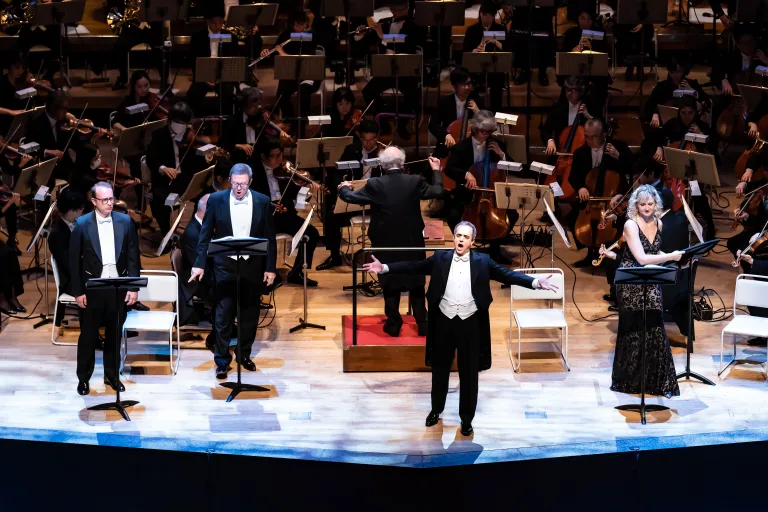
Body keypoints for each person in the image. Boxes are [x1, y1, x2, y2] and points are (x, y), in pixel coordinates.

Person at [363, 221, 558, 435]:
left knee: (468, 374)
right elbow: (414, 266)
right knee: (440, 371)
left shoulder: (483, 262)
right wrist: (385, 268)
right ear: (454, 237)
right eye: (458, 235)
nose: (461, 240)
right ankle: (436, 410)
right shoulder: (440, 258)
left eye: (465, 237)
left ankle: (466, 419)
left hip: (470, 322)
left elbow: (507, 274)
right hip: (444, 321)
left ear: (472, 241)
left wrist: (535, 283)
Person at [339, 146, 444, 337]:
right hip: (412, 240)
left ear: (381, 164)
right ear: (402, 163)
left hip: (385, 240)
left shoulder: (375, 183)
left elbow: (352, 198)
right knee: (416, 281)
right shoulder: (415, 180)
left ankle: (394, 323)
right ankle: (423, 322)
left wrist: (344, 188)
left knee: (389, 279)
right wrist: (436, 170)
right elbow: (437, 190)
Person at [189, 164, 277, 380]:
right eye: (235, 183)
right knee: (223, 315)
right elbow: (205, 235)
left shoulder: (262, 201)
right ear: (229, 180)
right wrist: (199, 263)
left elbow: (270, 238)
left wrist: (270, 267)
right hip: (224, 266)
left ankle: (243, 354)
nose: (239, 188)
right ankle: (221, 360)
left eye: (243, 184)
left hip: (252, 265)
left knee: (250, 314)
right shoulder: (216, 200)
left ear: (250, 182)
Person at [598, 185, 683, 398]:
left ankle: (657, 382)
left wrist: (678, 257)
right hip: (631, 282)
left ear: (657, 205)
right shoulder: (630, 225)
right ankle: (630, 381)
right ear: (636, 205)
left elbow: (655, 251)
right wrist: (671, 256)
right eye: (642, 204)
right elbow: (642, 258)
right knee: (633, 331)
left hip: (651, 280)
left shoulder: (659, 223)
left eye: (650, 204)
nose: (646, 208)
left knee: (655, 328)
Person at [70, 182, 140, 396]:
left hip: (117, 286)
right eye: (105, 200)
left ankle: (112, 375)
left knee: (114, 335)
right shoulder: (81, 224)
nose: (110, 203)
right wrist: (78, 291)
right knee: (88, 336)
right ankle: (83, 378)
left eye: (111, 199)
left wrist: (133, 287)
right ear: (94, 201)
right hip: (93, 287)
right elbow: (74, 261)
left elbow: (133, 257)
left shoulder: (125, 221)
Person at [251, 137, 321, 286]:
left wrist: (307, 192)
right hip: (265, 216)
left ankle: (297, 272)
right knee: (264, 239)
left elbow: (299, 202)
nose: (279, 160)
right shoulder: (254, 174)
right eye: (274, 156)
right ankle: (267, 273)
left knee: (312, 234)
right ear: (263, 156)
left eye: (280, 155)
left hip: (285, 214)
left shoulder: (286, 172)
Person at [318, 120, 381, 270]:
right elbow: (336, 174)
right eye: (364, 140)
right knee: (332, 216)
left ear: (377, 138)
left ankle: (380, 254)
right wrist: (339, 191)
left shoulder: (384, 154)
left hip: (377, 201)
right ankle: (334, 256)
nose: (368, 144)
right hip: (355, 198)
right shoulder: (352, 150)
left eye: (372, 140)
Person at [568, 118, 631, 267]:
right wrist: (580, 187)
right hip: (591, 196)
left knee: (617, 220)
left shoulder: (618, 147)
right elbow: (573, 176)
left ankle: (610, 252)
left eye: (594, 137)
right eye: (587, 136)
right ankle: (590, 251)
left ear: (604, 134)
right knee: (571, 216)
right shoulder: (580, 152)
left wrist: (618, 156)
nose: (589, 140)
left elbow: (631, 167)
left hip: (614, 196)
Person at [359, 0, 422, 140]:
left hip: (406, 72)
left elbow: (408, 47)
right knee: (368, 91)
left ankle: (402, 125)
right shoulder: (385, 22)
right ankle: (383, 123)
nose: (398, 13)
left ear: (408, 8)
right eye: (395, 10)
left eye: (402, 10)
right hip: (386, 71)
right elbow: (365, 43)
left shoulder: (414, 25)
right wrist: (360, 35)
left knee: (414, 94)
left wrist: (384, 38)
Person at [146, 101, 208, 235]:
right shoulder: (158, 135)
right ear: (170, 120)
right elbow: (151, 159)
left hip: (186, 178)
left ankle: (193, 229)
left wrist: (204, 154)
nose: (182, 125)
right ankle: (166, 234)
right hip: (166, 181)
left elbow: (197, 162)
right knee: (159, 203)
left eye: (184, 122)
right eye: (178, 121)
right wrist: (164, 168)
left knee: (207, 195)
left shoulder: (189, 135)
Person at [263, 9, 319, 137]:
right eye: (294, 25)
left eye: (299, 25)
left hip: (309, 74)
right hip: (290, 74)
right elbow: (275, 51)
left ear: (306, 24)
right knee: (281, 94)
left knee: (304, 92)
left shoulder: (311, 35)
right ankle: (291, 124)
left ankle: (302, 127)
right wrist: (267, 54)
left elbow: (306, 59)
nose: (296, 28)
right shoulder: (287, 33)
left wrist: (282, 53)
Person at [186, 3, 240, 117]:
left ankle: (226, 123)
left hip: (224, 78)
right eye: (214, 23)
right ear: (208, 21)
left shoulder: (231, 37)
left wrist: (222, 77)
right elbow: (193, 62)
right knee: (192, 94)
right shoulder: (197, 37)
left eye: (221, 22)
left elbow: (233, 61)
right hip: (204, 77)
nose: (218, 26)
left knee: (228, 94)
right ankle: (198, 123)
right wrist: (204, 78)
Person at [49, 187, 86, 325]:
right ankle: (93, 332)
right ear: (71, 211)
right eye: (80, 209)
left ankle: (116, 325)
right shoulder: (57, 235)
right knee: (101, 289)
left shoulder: (75, 224)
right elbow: (69, 265)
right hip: (71, 281)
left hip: (80, 274)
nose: (83, 212)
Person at [541, 75, 601, 157]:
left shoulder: (590, 107)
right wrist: (550, 140)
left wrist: (588, 116)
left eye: (572, 90)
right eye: (567, 89)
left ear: (581, 91)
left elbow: (600, 132)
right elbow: (545, 130)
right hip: (560, 154)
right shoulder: (558, 107)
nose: (569, 93)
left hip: (584, 157)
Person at [462, 1, 505, 112]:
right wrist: (474, 51)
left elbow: (507, 49)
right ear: (480, 14)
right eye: (484, 15)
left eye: (490, 16)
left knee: (498, 81)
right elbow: (465, 50)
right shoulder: (472, 30)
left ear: (494, 15)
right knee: (470, 81)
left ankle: (495, 113)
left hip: (494, 69)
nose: (487, 18)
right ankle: (475, 113)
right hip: (476, 68)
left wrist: (496, 42)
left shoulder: (500, 29)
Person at [427, 66, 480, 159]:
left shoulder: (476, 100)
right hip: (448, 147)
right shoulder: (444, 102)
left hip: (470, 148)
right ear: (454, 86)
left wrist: (477, 111)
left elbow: (487, 123)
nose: (467, 87)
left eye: (469, 83)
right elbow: (433, 125)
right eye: (463, 84)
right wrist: (446, 135)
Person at [643, 59, 709, 127]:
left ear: (682, 71)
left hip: (689, 123)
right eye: (672, 72)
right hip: (667, 123)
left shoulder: (692, 84)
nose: (675, 75)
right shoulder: (662, 86)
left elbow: (707, 102)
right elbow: (648, 106)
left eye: (677, 72)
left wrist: (691, 90)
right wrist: (655, 114)